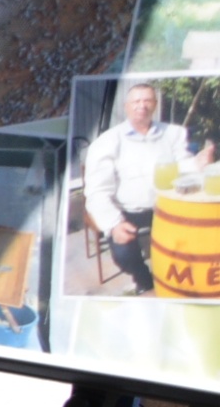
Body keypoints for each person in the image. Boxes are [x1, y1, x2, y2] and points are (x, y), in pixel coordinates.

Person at [82, 80, 212, 293]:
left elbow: (181, 168)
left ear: (155, 105)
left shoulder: (173, 133)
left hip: (168, 206)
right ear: (126, 106)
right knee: (124, 256)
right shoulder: (107, 142)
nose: (141, 105)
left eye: (147, 101)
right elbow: (97, 192)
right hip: (127, 212)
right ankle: (144, 280)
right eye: (136, 101)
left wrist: (196, 164)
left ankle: (185, 281)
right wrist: (114, 224)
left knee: (197, 241)